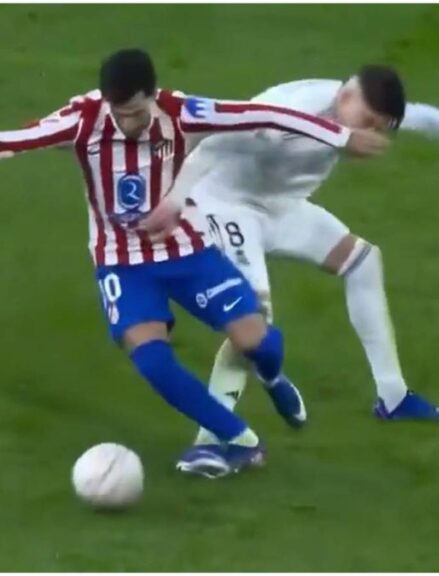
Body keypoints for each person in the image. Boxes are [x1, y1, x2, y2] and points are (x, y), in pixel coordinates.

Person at [0, 48, 386, 478]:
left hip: (186, 249)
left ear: (152, 95)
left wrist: (341, 136)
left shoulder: (182, 112)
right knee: (150, 359)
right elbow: (12, 141)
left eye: (134, 112)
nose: (126, 123)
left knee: (256, 342)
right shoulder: (83, 119)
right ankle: (240, 439)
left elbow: (266, 115)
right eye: (118, 112)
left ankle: (272, 378)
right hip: (121, 262)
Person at [141, 68, 439, 449]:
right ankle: (213, 440)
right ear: (345, 97)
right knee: (253, 322)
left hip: (281, 208)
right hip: (227, 207)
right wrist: (175, 200)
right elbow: (214, 146)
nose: (372, 135)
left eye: (380, 129)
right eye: (368, 123)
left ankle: (393, 397)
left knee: (364, 261)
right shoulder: (285, 117)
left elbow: (427, 118)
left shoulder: (360, 106)